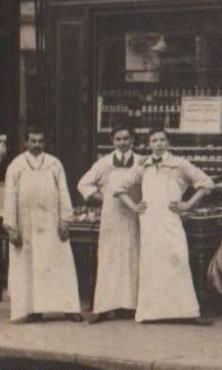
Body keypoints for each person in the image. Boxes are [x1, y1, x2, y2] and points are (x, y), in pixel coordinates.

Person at [114, 128, 214, 324]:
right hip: (150, 221)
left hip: (170, 220)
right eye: (154, 140)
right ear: (149, 144)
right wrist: (134, 205)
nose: (158, 144)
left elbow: (206, 183)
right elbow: (118, 188)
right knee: (152, 265)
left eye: (162, 140)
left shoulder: (179, 164)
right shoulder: (143, 165)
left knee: (178, 260)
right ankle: (150, 313)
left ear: (168, 143)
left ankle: (187, 313)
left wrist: (187, 204)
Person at [3, 127, 82, 322]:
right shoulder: (16, 165)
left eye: (40, 141)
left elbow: (64, 192)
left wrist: (65, 220)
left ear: (45, 143)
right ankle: (33, 310)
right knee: (30, 266)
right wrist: (12, 227)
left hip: (51, 223)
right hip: (26, 224)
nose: (37, 145)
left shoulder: (54, 164)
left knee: (59, 264)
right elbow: (10, 196)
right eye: (33, 141)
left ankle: (69, 308)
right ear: (26, 143)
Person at [77, 124, 143, 323]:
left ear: (132, 139)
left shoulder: (141, 161)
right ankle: (105, 306)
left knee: (132, 257)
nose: (122, 143)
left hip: (134, 216)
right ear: (112, 141)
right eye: (118, 139)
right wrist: (103, 198)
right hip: (111, 216)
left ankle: (131, 306)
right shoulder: (104, 163)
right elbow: (83, 184)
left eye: (126, 138)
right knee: (109, 259)